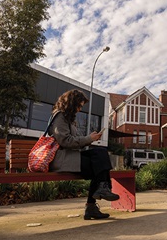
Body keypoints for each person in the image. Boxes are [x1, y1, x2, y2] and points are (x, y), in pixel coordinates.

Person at [48, 89, 119, 220]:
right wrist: (89, 139)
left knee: (101, 152)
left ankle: (101, 191)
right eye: (79, 105)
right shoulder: (59, 117)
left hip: (71, 157)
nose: (80, 109)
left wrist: (91, 138)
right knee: (97, 166)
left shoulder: (69, 120)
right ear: (71, 103)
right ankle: (94, 203)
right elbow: (65, 141)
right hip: (61, 160)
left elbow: (77, 142)